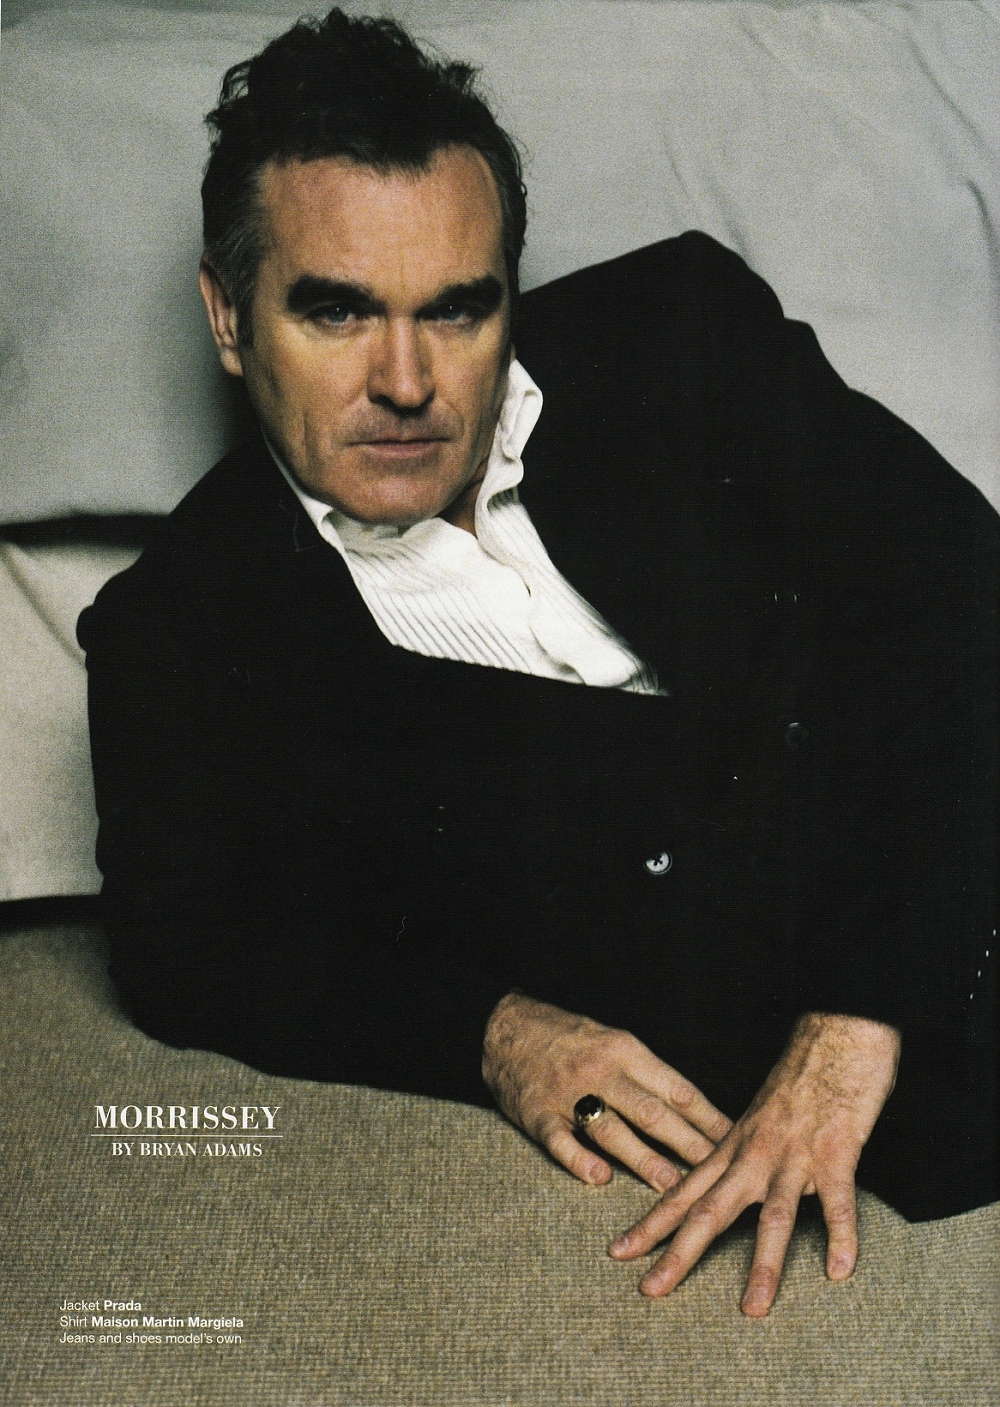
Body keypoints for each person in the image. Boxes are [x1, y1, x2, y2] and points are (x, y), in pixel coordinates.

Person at [78, 8, 998, 1316]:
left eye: (459, 309)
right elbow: (183, 947)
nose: (407, 381)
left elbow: (956, 591)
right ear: (229, 319)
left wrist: (859, 1017)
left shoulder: (678, 328)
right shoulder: (179, 632)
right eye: (337, 312)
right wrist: (491, 1031)